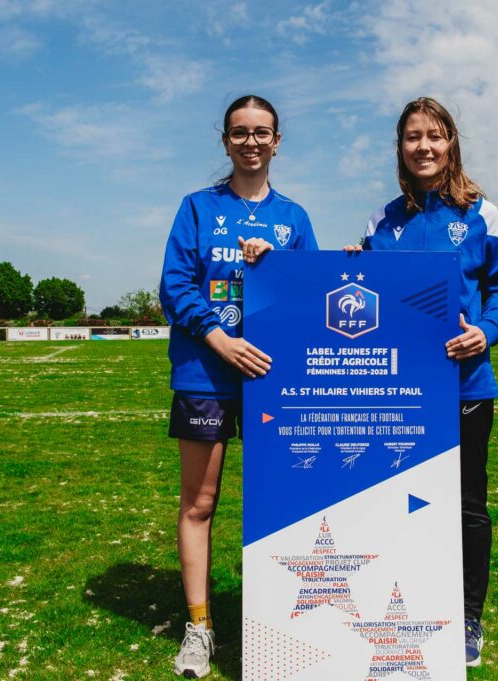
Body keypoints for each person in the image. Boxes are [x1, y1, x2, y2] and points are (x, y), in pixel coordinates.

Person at [345, 96, 498, 668]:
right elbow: (364, 297)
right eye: (413, 136)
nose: (424, 146)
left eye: (435, 136)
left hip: (464, 386)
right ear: (400, 147)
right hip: (395, 394)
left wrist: (485, 334)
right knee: (395, 504)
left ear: (451, 143)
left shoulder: (481, 213)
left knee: (466, 506)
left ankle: (467, 617)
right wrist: (347, 266)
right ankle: (403, 604)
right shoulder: (381, 221)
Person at [159, 94, 319, 678]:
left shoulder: (294, 218)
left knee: (281, 505)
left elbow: (310, 296)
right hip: (206, 374)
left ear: (278, 142)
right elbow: (175, 286)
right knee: (200, 504)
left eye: (262, 132)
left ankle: (279, 622)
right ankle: (199, 627)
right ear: (225, 140)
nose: (251, 142)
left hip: (274, 382)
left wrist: (277, 266)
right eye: (239, 132)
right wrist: (217, 338)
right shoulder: (198, 208)